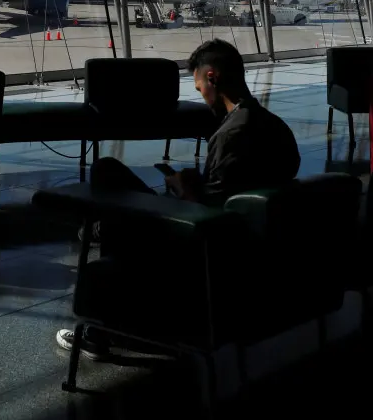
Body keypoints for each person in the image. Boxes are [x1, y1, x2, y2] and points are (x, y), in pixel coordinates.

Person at [55, 39, 300, 359]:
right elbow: (237, 194)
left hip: (201, 253)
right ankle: (101, 230)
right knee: (111, 177)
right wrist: (195, 185)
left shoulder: (231, 134)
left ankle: (105, 324)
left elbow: (206, 217)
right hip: (250, 246)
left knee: (107, 175)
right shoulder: (276, 127)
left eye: (200, 88)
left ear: (212, 77)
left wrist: (183, 189)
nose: (202, 96)